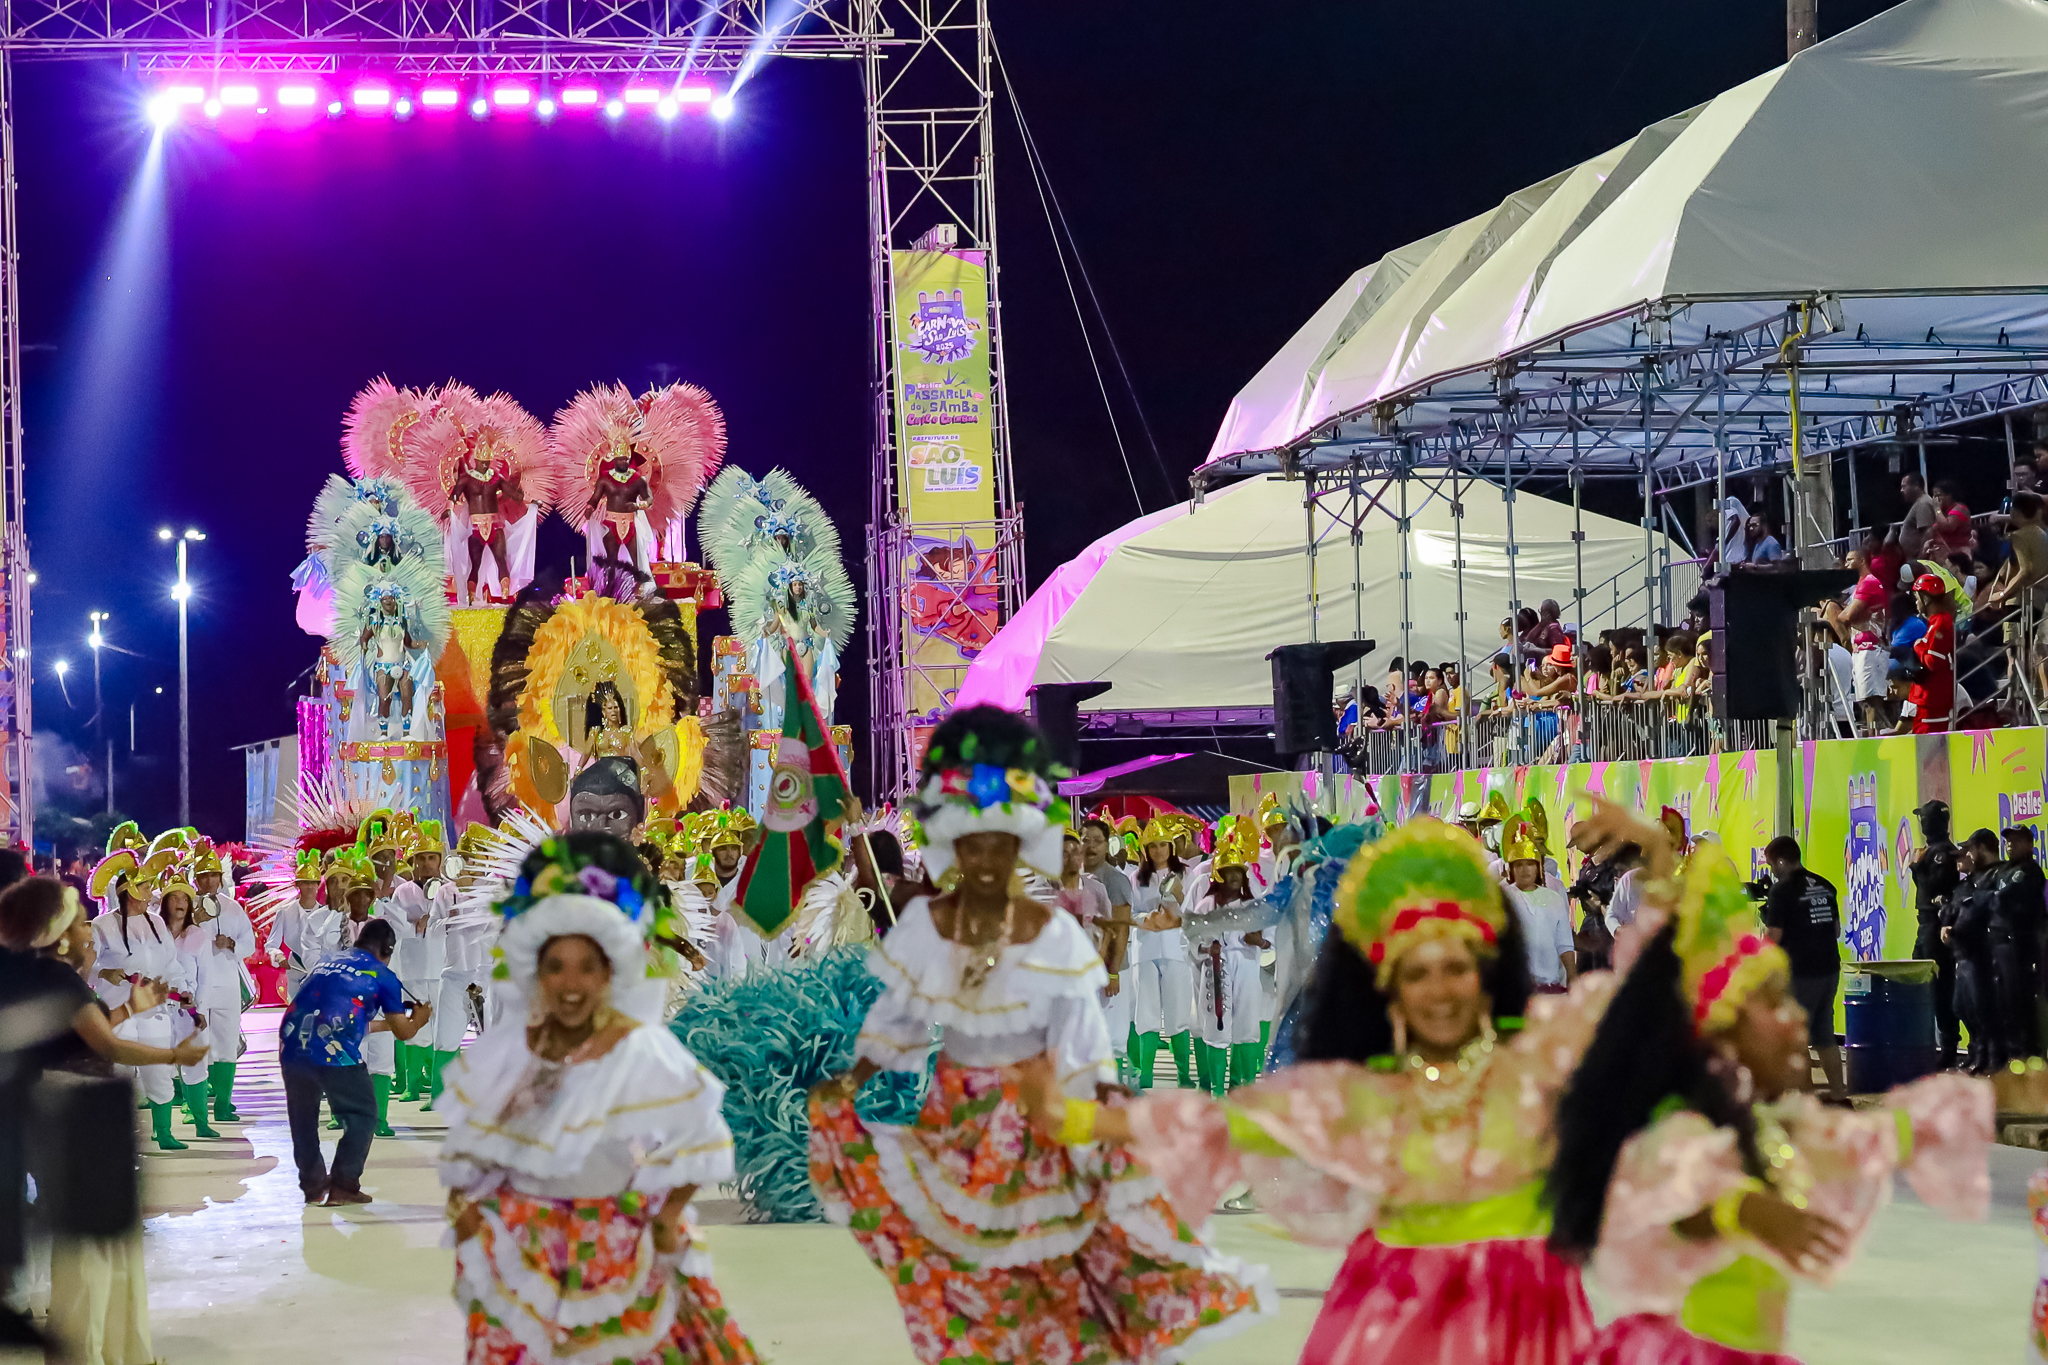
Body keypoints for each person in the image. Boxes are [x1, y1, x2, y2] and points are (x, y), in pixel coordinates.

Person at [1013, 805, 1668, 1365]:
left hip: (1527, 1318)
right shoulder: (1367, 1088)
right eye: (1416, 972)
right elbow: (1210, 1125)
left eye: (1457, 965)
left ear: (1488, 968)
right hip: (1402, 1316)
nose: (1439, 990)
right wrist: (1072, 1117)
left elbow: (1667, 987)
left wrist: (1660, 857)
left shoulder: (1538, 1053)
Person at [808, 705, 1274, 1365]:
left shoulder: (1053, 931)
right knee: (967, 1279)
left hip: (1040, 1122)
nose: (987, 858)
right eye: (973, 844)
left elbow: (1081, 1038)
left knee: (1054, 1271)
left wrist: (1109, 1107)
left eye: (1001, 843)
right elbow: (902, 1019)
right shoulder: (928, 926)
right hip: (956, 1129)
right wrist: (852, 1080)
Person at [1545, 842, 1991, 1365]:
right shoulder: (1681, 1128)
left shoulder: (1776, 1125)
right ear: (1722, 1035)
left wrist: (2001, 1090)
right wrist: (1743, 1209)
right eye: (1774, 1003)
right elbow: (1678, 1191)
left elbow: (1873, 1137)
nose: (1796, 1018)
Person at [440, 832, 759, 1365]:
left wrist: (663, 1217)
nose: (571, 984)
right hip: (524, 1242)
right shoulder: (516, 1050)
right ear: (534, 973)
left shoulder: (638, 1048)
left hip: (618, 1241)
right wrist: (470, 1206)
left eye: (587, 967)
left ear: (611, 972)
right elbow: (477, 1141)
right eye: (556, 967)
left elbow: (703, 1137)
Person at [0, 876, 208, 1365]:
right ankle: (91, 1353)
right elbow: (105, 1045)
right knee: (93, 1246)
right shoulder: (55, 977)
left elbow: (78, 1029)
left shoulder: (35, 976)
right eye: (78, 921)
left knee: (104, 1244)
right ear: (56, 932)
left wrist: (132, 1006)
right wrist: (173, 1055)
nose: (88, 930)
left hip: (61, 1113)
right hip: (77, 1118)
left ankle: (113, 1350)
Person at [278, 915, 431, 1206]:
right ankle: (344, 1185)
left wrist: (390, 1020)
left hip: (292, 1044)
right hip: (334, 1053)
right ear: (388, 950)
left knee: (304, 1119)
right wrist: (420, 1020)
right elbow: (404, 1033)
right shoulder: (383, 976)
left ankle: (313, 1188)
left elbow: (348, 1019)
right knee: (363, 1114)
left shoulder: (326, 962)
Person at [86, 848, 193, 1151]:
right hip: (119, 1009)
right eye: (146, 887)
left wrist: (183, 988)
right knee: (120, 1071)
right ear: (130, 891)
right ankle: (117, 1134)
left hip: (154, 1009)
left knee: (159, 1068)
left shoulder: (157, 924)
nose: (151, 891)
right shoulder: (101, 925)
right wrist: (104, 972)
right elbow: (87, 965)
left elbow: (171, 963)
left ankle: (163, 1131)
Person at [1760, 835, 1847, 1104]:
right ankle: (1839, 1093)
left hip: (1800, 972)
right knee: (1824, 1035)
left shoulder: (1781, 891)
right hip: (1829, 969)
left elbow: (1774, 936)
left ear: (1782, 861)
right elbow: (1836, 930)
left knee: (1796, 1041)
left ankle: (1807, 1099)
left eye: (1772, 865)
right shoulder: (1825, 885)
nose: (1772, 871)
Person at [1128, 816, 1194, 1089]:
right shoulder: (1136, 877)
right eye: (1152, 846)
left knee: (1179, 1011)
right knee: (1146, 1011)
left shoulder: (1186, 874)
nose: (1158, 851)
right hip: (1146, 947)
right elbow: (1129, 913)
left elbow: (1195, 911)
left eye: (1163, 845)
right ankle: (1146, 1072)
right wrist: (1148, 916)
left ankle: (1184, 1073)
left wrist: (1179, 897)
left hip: (1176, 948)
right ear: (1145, 849)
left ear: (1172, 847)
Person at [188, 844, 253, 1121]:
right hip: (198, 987)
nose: (210, 881)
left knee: (226, 1045)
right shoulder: (187, 906)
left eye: (214, 875)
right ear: (196, 880)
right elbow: (173, 943)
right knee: (199, 1045)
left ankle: (224, 1104)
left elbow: (249, 944)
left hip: (226, 985)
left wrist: (231, 943)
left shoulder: (233, 908)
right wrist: (193, 921)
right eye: (204, 876)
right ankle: (197, 1106)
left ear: (221, 878)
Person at [1909, 801, 1963, 1071]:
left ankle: (1950, 1047)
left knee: (1939, 987)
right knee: (1921, 983)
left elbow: (1936, 888)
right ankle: (1931, 1044)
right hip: (1926, 925)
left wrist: (1917, 868)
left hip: (1935, 924)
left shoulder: (1941, 853)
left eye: (1925, 820)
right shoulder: (1934, 851)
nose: (1922, 825)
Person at [1944, 829, 2003, 1074]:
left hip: (1982, 952)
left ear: (1981, 848)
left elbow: (1983, 906)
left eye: (1969, 849)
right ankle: (1976, 1055)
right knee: (1963, 1007)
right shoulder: (1970, 882)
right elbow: (1950, 907)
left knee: (1983, 1010)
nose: (1965, 855)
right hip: (1962, 952)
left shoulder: (1998, 875)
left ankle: (1991, 1060)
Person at [1990, 825, 2046, 1062]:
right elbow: (1988, 897)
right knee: (2004, 1004)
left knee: (2020, 1003)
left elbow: (2005, 898)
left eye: (2016, 840)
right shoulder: (2003, 870)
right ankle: (2012, 1057)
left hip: (2020, 945)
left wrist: (1992, 899)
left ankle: (2028, 1056)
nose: (2010, 845)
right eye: (2008, 840)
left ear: (2029, 844)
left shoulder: (2031, 872)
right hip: (1999, 943)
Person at [1503, 815, 1576, 992]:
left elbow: (1564, 943)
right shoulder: (1503, 897)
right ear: (1511, 869)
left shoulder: (1553, 899)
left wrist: (1573, 978)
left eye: (1529, 864)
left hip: (1549, 985)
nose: (1525, 869)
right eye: (1519, 865)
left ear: (1538, 868)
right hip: (1513, 985)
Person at [1898, 573, 1956, 734]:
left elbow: (1933, 661)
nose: (1916, 603)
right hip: (1928, 700)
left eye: (1917, 598)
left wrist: (1918, 646)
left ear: (1926, 598)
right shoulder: (1935, 621)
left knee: (1929, 754)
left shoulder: (1941, 621)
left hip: (1933, 700)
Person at [1898, 471, 1939, 559]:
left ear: (1916, 485)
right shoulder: (1919, 503)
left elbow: (1927, 532)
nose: (1901, 490)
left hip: (1918, 561)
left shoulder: (1923, 503)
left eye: (1904, 487)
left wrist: (1921, 558)